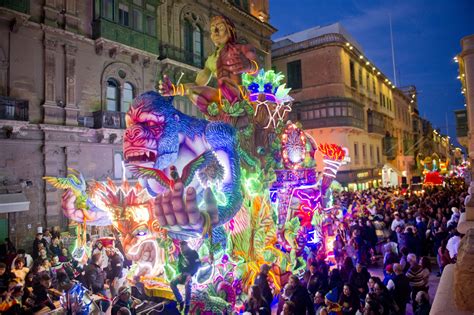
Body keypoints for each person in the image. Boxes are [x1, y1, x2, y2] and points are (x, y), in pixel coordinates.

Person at [170, 240, 200, 314]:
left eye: (182, 247)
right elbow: (179, 267)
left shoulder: (193, 253)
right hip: (184, 274)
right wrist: (182, 273)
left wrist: (190, 274)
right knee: (172, 283)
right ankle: (180, 301)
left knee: (187, 285)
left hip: (192, 274)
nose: (181, 249)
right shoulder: (181, 254)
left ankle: (187, 305)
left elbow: (197, 265)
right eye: (180, 247)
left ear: (186, 246)